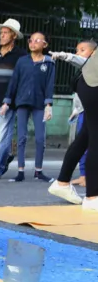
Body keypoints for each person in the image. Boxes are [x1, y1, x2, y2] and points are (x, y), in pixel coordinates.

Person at [0, 31, 56, 183]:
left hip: (39, 103)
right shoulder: (22, 61)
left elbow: (50, 85)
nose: (33, 43)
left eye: (38, 40)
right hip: (22, 102)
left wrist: (48, 105)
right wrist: (6, 102)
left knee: (39, 138)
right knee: (21, 138)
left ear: (45, 44)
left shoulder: (49, 62)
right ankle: (20, 172)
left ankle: (39, 171)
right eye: (31, 40)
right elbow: (14, 82)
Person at [48, 43, 98, 211]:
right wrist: (66, 55)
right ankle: (92, 196)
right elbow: (83, 59)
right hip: (94, 85)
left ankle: (62, 182)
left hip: (88, 84)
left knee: (85, 136)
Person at [0, 18, 27, 180]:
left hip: (8, 101)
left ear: (14, 36)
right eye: (1, 33)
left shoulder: (21, 56)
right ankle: (7, 154)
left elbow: (22, 78)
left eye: (5, 33)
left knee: (2, 134)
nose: (1, 36)